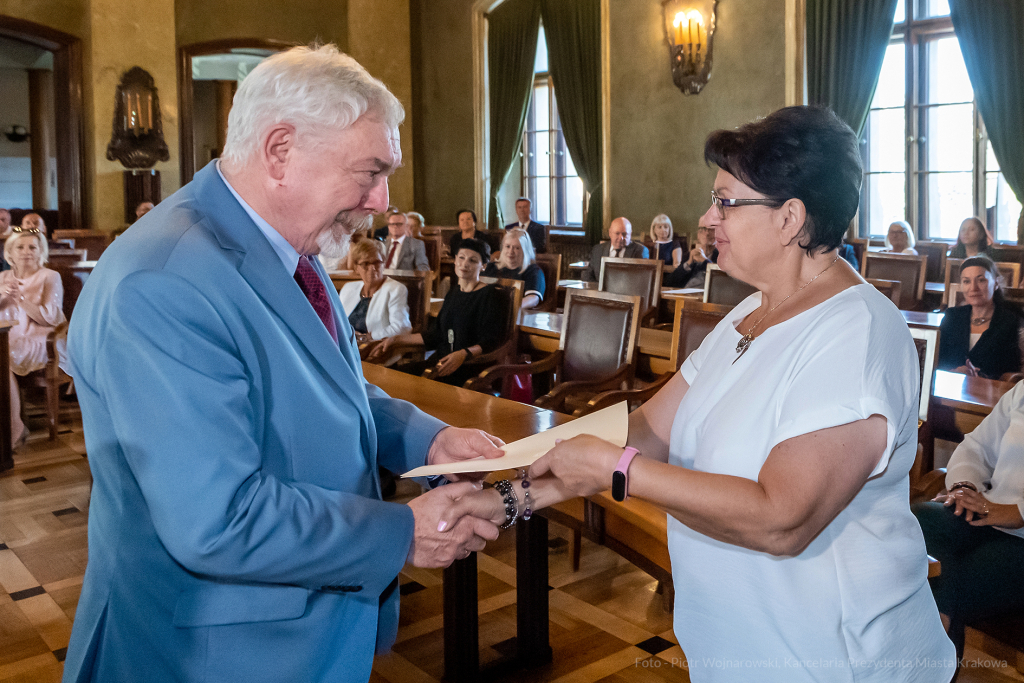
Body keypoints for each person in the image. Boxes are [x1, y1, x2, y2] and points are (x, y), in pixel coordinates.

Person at [443, 106, 955, 682]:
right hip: (734, 649)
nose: (708, 219)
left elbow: (782, 519)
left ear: (790, 218)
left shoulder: (856, 331)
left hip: (835, 659)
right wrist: (506, 495)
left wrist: (618, 470)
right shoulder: (748, 313)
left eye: (726, 202)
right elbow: (645, 431)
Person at [62, 45, 505, 683]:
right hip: (212, 654)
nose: (381, 200)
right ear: (279, 152)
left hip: (298, 631)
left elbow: (327, 387)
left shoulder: (286, 244)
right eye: (370, 172)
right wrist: (401, 534)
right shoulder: (163, 281)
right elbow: (218, 519)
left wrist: (426, 439)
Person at [912, 381, 1024, 662]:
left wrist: (1017, 512)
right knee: (921, 517)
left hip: (1019, 538)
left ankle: (930, 664)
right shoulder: (1021, 392)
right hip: (986, 513)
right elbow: (976, 447)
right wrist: (965, 487)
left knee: (934, 582)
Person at [372, 238, 502, 387]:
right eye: (461, 258)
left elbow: (491, 341)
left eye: (472, 260)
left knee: (398, 383)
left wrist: (463, 354)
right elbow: (435, 335)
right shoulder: (453, 293)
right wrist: (396, 340)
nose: (465, 264)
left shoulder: (490, 295)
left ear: (483, 266)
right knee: (387, 376)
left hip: (468, 366)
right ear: (455, 260)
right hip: (442, 362)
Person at [0, 228, 66, 451]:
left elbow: (50, 318)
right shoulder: (2, 277)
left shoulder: (50, 276)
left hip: (39, 338)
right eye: (20, 247)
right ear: (10, 252)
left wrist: (21, 298)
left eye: (32, 247)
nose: (26, 252)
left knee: (2, 360)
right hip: (7, 336)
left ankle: (15, 430)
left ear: (40, 251)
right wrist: (3, 297)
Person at [937, 255, 1022, 380]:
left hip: (993, 389)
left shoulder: (1011, 321)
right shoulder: (952, 316)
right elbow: (938, 358)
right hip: (951, 385)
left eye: (981, 280)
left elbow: (1012, 369)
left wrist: (980, 376)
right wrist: (953, 371)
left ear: (996, 283)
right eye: (966, 281)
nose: (973, 288)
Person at [339, 238, 412, 344]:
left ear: (384, 264)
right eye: (365, 264)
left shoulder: (395, 289)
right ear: (356, 268)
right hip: (346, 344)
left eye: (377, 262)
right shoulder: (348, 288)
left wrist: (366, 338)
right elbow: (337, 322)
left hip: (375, 347)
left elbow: (402, 327)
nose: (372, 268)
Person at [483, 228, 545, 309]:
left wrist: (510, 308)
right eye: (507, 246)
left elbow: (533, 299)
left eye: (517, 248)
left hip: (514, 313)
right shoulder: (490, 267)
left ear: (525, 251)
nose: (511, 251)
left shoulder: (533, 271)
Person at [584, 217, 649, 282]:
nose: (621, 238)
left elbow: (642, 280)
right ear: (610, 233)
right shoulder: (598, 250)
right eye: (617, 233)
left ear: (630, 234)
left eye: (624, 234)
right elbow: (588, 276)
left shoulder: (640, 251)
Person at [662, 220, 717, 288]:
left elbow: (722, 280)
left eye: (711, 229)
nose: (707, 233)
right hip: (683, 293)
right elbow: (669, 282)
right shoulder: (689, 255)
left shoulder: (724, 257)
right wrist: (688, 264)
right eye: (703, 229)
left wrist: (705, 261)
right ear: (698, 235)